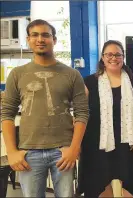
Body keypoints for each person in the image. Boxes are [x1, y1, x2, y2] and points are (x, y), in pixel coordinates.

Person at [0, 19, 89, 197]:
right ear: (28, 39)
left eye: (45, 35)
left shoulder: (72, 74)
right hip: (28, 151)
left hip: (62, 152)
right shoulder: (17, 74)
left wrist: (73, 148)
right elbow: (7, 113)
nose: (40, 39)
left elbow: (82, 113)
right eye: (35, 35)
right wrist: (11, 152)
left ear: (54, 40)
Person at [78, 40, 133, 197]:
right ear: (102, 58)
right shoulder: (89, 82)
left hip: (127, 144)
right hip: (97, 145)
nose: (114, 58)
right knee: (100, 187)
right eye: (109, 54)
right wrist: (75, 143)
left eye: (118, 54)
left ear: (123, 57)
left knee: (131, 188)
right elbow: (80, 113)